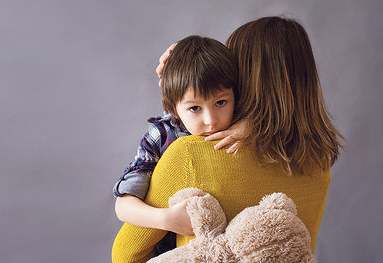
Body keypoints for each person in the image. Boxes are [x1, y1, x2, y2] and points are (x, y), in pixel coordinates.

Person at [112, 16, 345, 263]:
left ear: (240, 78)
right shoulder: (318, 161)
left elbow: (125, 255)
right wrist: (184, 64)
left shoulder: (190, 154)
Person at [113, 35, 241, 239]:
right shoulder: (163, 135)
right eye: (195, 108)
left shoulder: (239, 124)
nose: (211, 120)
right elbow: (123, 205)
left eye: (221, 103)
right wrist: (166, 219)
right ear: (174, 108)